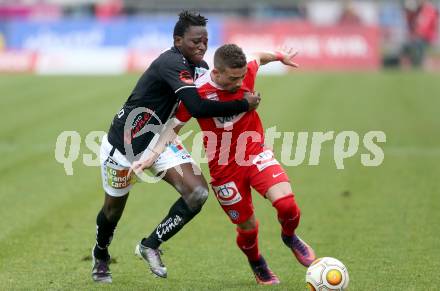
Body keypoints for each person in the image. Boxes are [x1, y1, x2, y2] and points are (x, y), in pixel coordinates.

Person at [92, 12, 260, 283]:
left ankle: (150, 245)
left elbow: (222, 86)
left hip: (161, 141)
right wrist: (244, 104)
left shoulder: (200, 67)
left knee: (197, 193)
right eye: (195, 41)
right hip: (123, 149)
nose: (202, 46)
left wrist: (250, 78)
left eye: (205, 41)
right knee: (112, 212)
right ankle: (101, 254)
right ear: (178, 40)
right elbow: (197, 107)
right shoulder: (171, 63)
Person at [132, 44, 316, 285]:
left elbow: (259, 56)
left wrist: (281, 56)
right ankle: (256, 261)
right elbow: (172, 128)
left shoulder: (246, 70)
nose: (240, 83)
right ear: (217, 73)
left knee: (287, 205)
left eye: (241, 77)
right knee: (247, 225)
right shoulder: (196, 93)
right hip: (224, 170)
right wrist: (150, 157)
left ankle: (290, 236)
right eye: (232, 79)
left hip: (254, 152)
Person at [402, 0, 438, 68]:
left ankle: (420, 64)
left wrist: (415, 35)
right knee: (406, 45)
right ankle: (408, 66)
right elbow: (412, 26)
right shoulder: (417, 11)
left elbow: (424, 27)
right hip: (419, 37)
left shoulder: (429, 10)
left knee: (418, 43)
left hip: (428, 38)